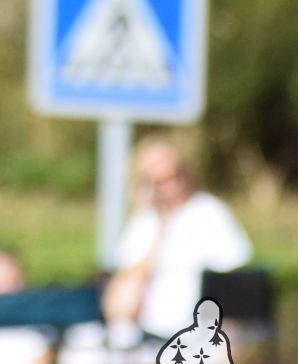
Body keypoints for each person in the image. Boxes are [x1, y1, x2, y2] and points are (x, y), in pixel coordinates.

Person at [99, 139, 251, 345]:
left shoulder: (210, 214)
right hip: (143, 333)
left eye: (173, 176)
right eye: (157, 181)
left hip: (195, 337)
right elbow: (119, 304)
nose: (169, 186)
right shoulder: (144, 221)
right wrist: (159, 228)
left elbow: (234, 287)